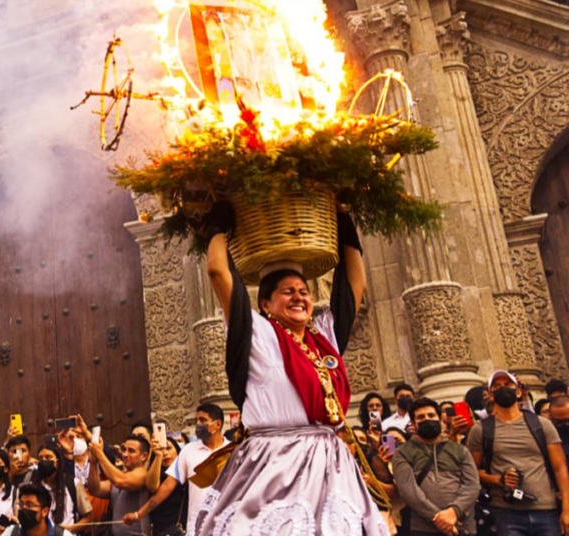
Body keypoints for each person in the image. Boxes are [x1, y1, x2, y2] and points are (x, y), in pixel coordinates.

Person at [199, 206, 386, 534]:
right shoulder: (257, 334)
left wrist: (345, 225)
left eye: (304, 292)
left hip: (331, 463)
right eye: (288, 292)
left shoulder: (323, 338)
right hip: (275, 464)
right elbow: (218, 273)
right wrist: (217, 228)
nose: (299, 297)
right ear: (266, 304)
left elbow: (354, 284)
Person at [467, 370, 569, 535]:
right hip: (505, 513)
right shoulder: (480, 430)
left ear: (519, 391)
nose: (503, 388)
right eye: (497, 386)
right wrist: (498, 480)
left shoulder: (542, 425)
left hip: (545, 510)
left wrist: (566, 510)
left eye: (508, 385)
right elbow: (472, 472)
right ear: (490, 395)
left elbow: (560, 469)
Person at [124, 404, 224, 532]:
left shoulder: (233, 452)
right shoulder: (188, 452)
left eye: (203, 420)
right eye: (196, 421)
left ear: (218, 424)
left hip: (225, 526)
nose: (198, 425)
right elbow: (164, 489)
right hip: (196, 529)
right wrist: (139, 514)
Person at [393, 398, 479, 536]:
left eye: (431, 415)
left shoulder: (460, 450)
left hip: (462, 525)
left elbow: (472, 486)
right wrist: (441, 519)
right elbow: (409, 492)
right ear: (414, 424)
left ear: (440, 419)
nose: (427, 419)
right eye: (421, 417)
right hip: (423, 529)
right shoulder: (402, 453)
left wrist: (454, 512)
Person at [85, 429, 153, 536]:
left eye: (131, 451)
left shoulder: (143, 474)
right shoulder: (120, 475)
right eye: (124, 449)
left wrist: (99, 453)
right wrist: (93, 463)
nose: (125, 454)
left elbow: (120, 481)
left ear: (144, 456)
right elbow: (95, 489)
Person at [28, 446, 91, 532]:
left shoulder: (73, 484)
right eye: (41, 458)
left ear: (57, 462)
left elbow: (88, 517)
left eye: (48, 457)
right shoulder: (32, 487)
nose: (44, 461)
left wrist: (70, 529)